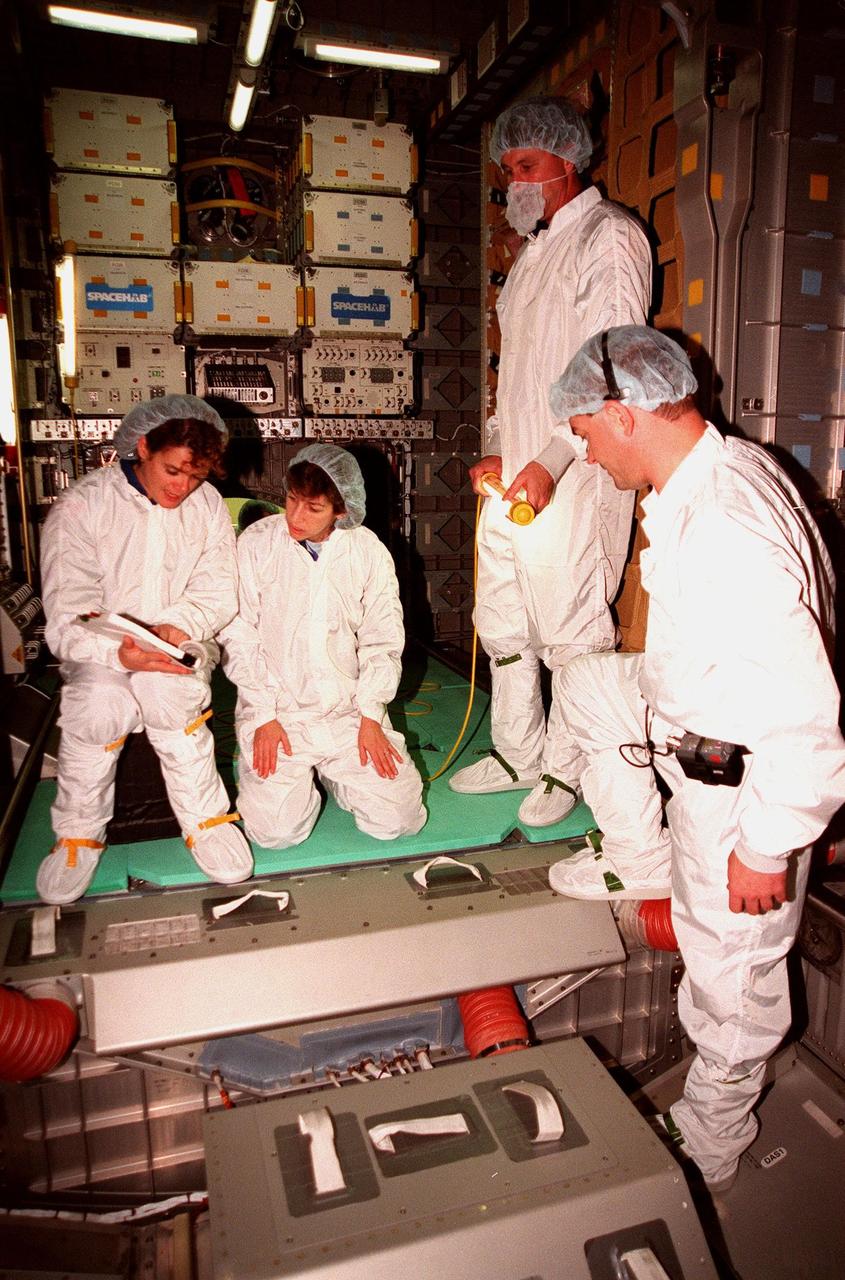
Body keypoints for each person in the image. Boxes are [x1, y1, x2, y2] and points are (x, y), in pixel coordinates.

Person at [546, 324, 845, 1192]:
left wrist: (765, 848)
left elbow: (805, 713)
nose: (584, 453)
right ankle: (639, 852)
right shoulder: (709, 473)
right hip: (696, 721)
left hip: (741, 782)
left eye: (584, 433)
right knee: (589, 685)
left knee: (730, 976)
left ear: (620, 413)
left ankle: (711, 1140)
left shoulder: (724, 524)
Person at [448, 96, 653, 828]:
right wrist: (500, 446)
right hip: (519, 473)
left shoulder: (609, 237)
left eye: (527, 165)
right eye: (508, 171)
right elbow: (516, 373)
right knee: (504, 621)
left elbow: (610, 363)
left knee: (570, 630)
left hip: (578, 470)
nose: (516, 183)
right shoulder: (532, 255)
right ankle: (517, 754)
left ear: (568, 161)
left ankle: (568, 766)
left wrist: (555, 454)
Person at [36, 395, 254, 905]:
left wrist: (181, 627)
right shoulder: (84, 505)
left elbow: (217, 589)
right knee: (100, 705)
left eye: (195, 476)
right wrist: (118, 654)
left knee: (168, 697)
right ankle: (77, 833)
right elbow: (68, 611)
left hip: (178, 639)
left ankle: (205, 821)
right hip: (101, 647)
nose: (182, 487)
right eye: (173, 471)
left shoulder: (206, 505)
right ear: (142, 446)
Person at [221, 443, 427, 847]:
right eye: (291, 499)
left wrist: (371, 715)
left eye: (313, 508)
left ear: (342, 510)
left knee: (399, 821)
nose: (295, 516)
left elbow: (382, 639)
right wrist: (262, 714)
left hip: (347, 713)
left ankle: (338, 776)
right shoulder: (257, 543)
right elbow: (239, 634)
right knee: (276, 834)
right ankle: (296, 779)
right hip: (279, 712)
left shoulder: (367, 551)